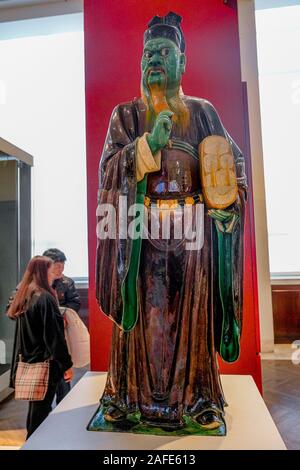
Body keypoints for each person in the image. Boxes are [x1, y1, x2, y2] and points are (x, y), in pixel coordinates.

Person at [91, 12, 247, 435]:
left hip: (193, 237)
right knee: (144, 320)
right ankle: (129, 399)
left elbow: (232, 170)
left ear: (182, 62)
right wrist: (148, 146)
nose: (153, 60)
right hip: (140, 235)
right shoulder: (126, 115)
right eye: (147, 54)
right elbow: (109, 172)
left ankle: (197, 400)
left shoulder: (202, 113)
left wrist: (226, 207)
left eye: (163, 52)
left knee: (191, 323)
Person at [7, 256, 73, 439]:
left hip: (29, 360)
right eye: (52, 270)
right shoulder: (45, 297)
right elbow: (54, 338)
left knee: (36, 412)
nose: (56, 273)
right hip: (45, 364)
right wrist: (66, 364)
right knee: (40, 416)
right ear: (44, 272)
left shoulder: (25, 294)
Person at [42, 248, 81, 404]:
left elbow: (75, 302)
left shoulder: (67, 282)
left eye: (62, 265)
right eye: (57, 265)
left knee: (64, 377)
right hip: (42, 340)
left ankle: (63, 409)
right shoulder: (34, 285)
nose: (60, 269)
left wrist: (65, 315)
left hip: (61, 332)